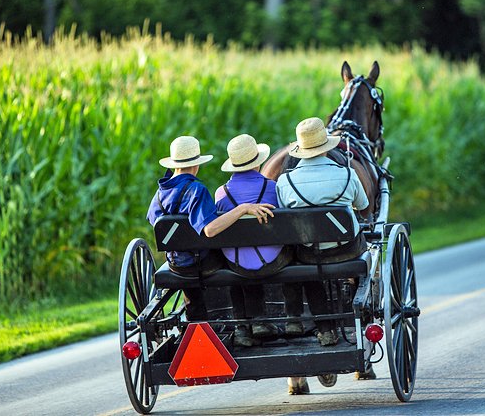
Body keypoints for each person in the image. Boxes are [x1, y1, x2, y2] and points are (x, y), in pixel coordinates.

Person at [146, 135, 274, 322]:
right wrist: (243, 208)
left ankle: (200, 320)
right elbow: (210, 230)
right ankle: (244, 320)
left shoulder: (159, 194)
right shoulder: (196, 190)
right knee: (229, 255)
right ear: (196, 164)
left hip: (176, 263)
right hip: (201, 263)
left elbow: (153, 220)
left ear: (174, 164)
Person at [276, 117, 369, 347]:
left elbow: (283, 218)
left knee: (307, 267)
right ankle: (358, 309)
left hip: (310, 253)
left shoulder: (285, 181)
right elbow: (363, 206)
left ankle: (326, 330)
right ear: (327, 146)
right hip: (347, 250)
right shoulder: (347, 174)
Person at [214, 134, 294, 347]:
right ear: (258, 162)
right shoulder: (272, 187)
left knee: (235, 260)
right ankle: (292, 317)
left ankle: (244, 326)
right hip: (272, 260)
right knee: (291, 250)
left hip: (237, 262)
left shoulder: (221, 194)